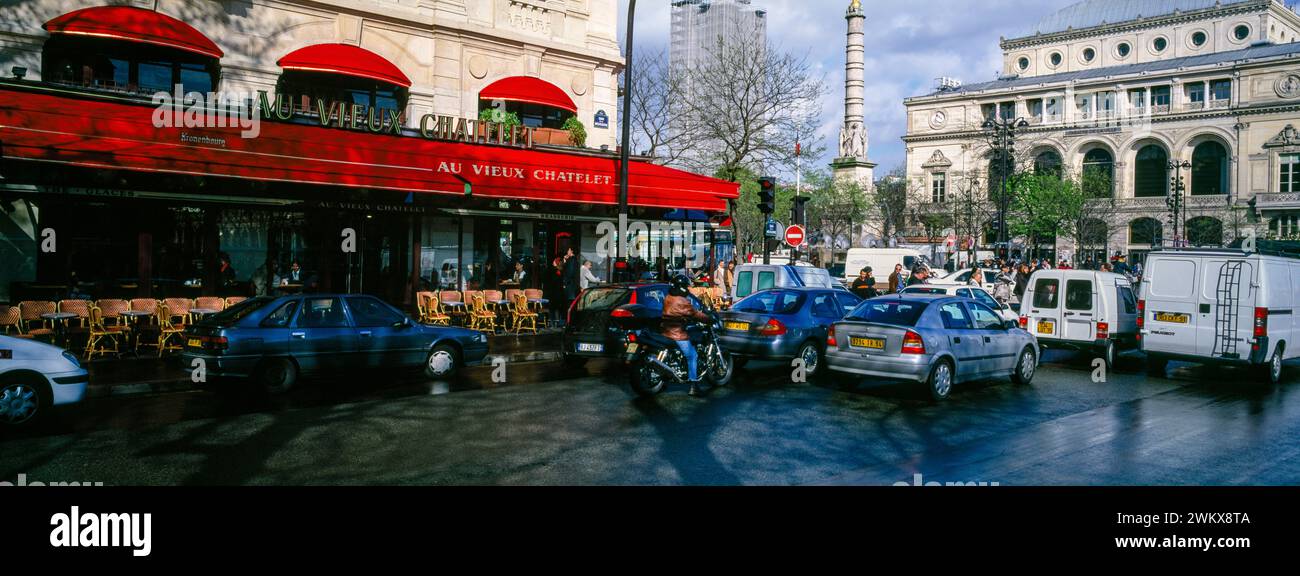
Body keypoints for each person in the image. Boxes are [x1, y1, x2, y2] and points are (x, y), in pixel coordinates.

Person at [662, 274, 712, 397]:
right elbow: (695, 314)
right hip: (677, 333)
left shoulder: (668, 297)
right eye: (686, 286)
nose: (687, 289)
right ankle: (694, 386)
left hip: (666, 330)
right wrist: (710, 319)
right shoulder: (682, 301)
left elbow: (679, 313)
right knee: (692, 355)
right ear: (682, 287)